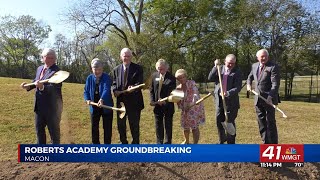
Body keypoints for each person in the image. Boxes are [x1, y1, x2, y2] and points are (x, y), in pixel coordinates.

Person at [20, 48, 62, 144]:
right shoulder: (39, 68)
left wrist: (43, 87)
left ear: (55, 59)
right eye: (47, 57)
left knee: (54, 135)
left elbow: (55, 89)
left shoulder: (57, 71)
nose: (49, 60)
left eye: (52, 58)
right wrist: (27, 86)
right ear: (42, 58)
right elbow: (36, 81)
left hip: (52, 108)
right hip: (39, 107)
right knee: (39, 132)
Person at [247, 49, 280, 144]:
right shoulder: (254, 66)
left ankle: (274, 145)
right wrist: (249, 85)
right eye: (262, 56)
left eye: (265, 56)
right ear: (257, 58)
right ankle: (265, 143)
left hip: (269, 99)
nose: (264, 58)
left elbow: (275, 84)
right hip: (258, 99)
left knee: (270, 123)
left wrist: (270, 97)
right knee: (261, 122)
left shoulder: (273, 67)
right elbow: (250, 77)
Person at [111, 48, 144, 144]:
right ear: (121, 57)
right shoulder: (116, 69)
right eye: (124, 56)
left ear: (131, 57)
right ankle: (123, 142)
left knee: (134, 125)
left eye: (128, 56)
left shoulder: (138, 68)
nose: (126, 58)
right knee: (121, 125)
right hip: (121, 103)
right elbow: (113, 83)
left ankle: (135, 144)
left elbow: (140, 83)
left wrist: (133, 87)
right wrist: (114, 90)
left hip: (134, 102)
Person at [207, 54, 242, 144]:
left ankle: (231, 143)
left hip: (231, 102)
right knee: (219, 121)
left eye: (232, 63)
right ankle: (221, 140)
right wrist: (215, 66)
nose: (230, 65)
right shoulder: (219, 68)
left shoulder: (237, 72)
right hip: (219, 100)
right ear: (225, 61)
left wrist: (228, 93)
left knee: (229, 122)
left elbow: (238, 87)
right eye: (229, 63)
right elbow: (210, 78)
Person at [84, 58, 114, 144]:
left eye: (99, 69)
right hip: (94, 107)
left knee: (107, 128)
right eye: (95, 69)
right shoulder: (89, 78)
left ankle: (107, 147)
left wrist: (102, 99)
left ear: (102, 69)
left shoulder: (106, 77)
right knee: (94, 128)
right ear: (92, 69)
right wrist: (87, 99)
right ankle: (96, 146)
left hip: (106, 106)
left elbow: (106, 89)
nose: (97, 71)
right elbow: (86, 90)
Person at [149, 59, 176, 144]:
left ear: (166, 68)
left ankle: (168, 143)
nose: (160, 70)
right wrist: (153, 101)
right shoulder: (154, 76)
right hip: (157, 106)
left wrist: (165, 101)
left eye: (162, 69)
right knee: (158, 125)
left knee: (168, 125)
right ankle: (159, 143)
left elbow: (172, 92)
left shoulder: (171, 78)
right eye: (158, 68)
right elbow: (151, 90)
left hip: (168, 106)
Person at [175, 69, 205, 144]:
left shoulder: (191, 83)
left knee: (194, 127)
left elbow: (195, 95)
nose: (181, 79)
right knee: (185, 127)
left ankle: (195, 143)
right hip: (185, 109)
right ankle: (186, 141)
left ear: (186, 77)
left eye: (183, 77)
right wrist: (181, 106)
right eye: (179, 78)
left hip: (194, 107)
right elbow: (178, 101)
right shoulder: (178, 88)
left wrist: (191, 104)